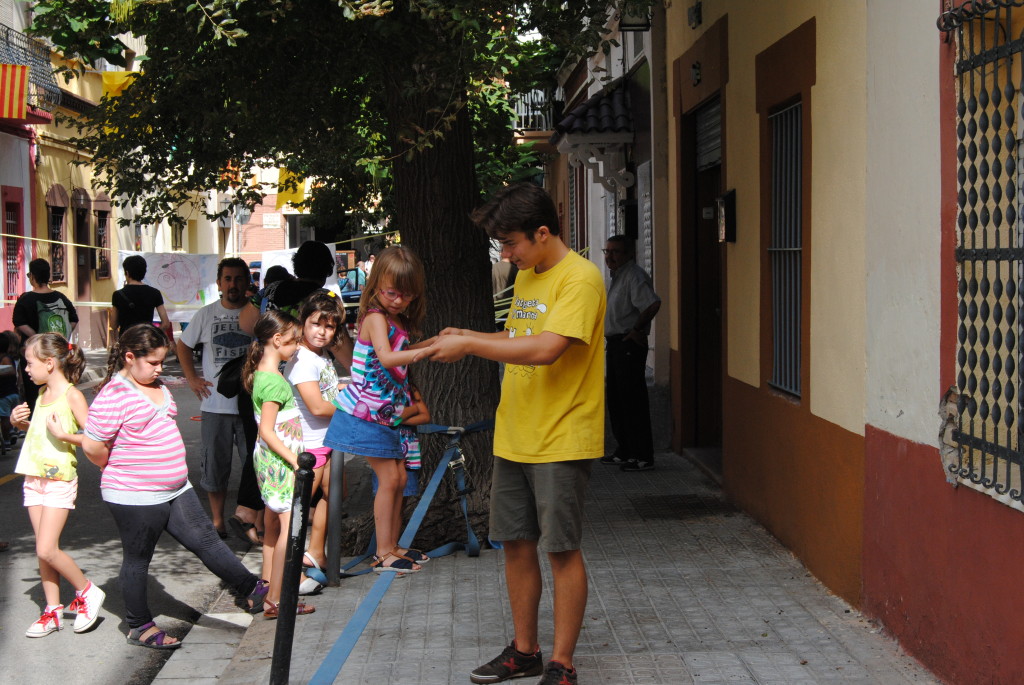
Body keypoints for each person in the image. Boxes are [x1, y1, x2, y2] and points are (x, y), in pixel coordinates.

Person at [420, 182, 606, 685]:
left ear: (542, 233)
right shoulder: (528, 274)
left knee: (560, 549)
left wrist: (470, 348)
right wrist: (467, 334)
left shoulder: (581, 279)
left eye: (510, 243)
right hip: (515, 433)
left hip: (561, 437)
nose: (506, 254)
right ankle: (525, 652)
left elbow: (547, 348)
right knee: (516, 545)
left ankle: (562, 665)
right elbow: (518, 336)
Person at [82, 325, 269, 648]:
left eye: (161, 361)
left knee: (206, 540)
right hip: (135, 494)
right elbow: (92, 446)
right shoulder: (114, 395)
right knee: (138, 559)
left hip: (176, 488)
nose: (159, 368)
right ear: (130, 357)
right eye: (153, 362)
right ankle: (139, 626)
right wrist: (112, 465)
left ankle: (253, 590)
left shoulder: (154, 383)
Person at [324, 246, 434, 573]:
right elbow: (387, 358)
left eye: (407, 295)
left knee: (397, 478)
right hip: (364, 414)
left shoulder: (395, 319)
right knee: (390, 478)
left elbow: (399, 352)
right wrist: (425, 352)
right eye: (392, 293)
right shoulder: (375, 317)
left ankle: (392, 546)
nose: (399, 301)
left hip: (383, 415)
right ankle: (384, 553)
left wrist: (434, 343)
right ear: (376, 286)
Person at [11, 333, 102, 638]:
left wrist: (65, 436)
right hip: (33, 477)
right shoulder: (42, 394)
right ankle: (52, 611)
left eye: (29, 363)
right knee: (43, 551)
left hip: (58, 480)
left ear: (49, 363)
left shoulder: (72, 396)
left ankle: (87, 591)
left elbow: (93, 439)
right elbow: (41, 434)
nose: (26, 369)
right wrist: (19, 424)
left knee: (46, 548)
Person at [241, 310, 316, 618]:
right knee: (289, 527)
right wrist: (295, 461)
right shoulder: (272, 381)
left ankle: (270, 589)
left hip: (272, 462)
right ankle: (276, 599)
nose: (297, 346)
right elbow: (267, 431)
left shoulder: (263, 373)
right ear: (276, 340)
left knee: (273, 526)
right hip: (281, 464)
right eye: (294, 340)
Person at [177, 258, 255, 539]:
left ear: (247, 282)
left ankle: (251, 522)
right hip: (215, 406)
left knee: (254, 466)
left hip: (252, 406)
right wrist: (192, 378)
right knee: (214, 467)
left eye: (238, 278)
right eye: (228, 279)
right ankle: (218, 522)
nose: (233, 284)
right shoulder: (206, 314)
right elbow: (183, 345)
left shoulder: (256, 314)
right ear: (219, 283)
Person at [284, 291, 345, 588]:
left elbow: (327, 395)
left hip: (326, 441)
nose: (322, 332)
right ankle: (289, 576)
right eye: (316, 324)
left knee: (335, 494)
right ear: (302, 322)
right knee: (295, 514)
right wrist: (354, 407)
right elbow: (318, 407)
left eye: (329, 326)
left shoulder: (320, 355)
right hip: (308, 448)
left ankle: (316, 553)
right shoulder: (302, 360)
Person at [600, 235, 661, 471]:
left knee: (632, 401)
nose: (609, 256)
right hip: (615, 344)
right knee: (617, 399)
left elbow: (652, 303)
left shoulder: (634, 275)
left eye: (615, 252)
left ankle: (642, 456)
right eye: (607, 251)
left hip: (628, 344)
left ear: (628, 254)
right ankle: (624, 450)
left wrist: (636, 329)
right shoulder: (617, 276)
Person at [240, 241, 354, 367]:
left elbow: (245, 324)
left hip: (270, 368)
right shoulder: (326, 299)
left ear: (296, 264)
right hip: (307, 372)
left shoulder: (270, 290)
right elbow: (343, 349)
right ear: (328, 268)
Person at [13, 259, 78, 412]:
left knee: (34, 395)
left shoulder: (26, 299)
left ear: (32, 276)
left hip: (34, 356)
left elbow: (18, 322)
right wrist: (59, 337)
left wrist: (38, 337)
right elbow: (74, 319)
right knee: (57, 389)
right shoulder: (60, 297)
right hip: (56, 354)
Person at [109, 255, 174, 346]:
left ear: (127, 273)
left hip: (126, 342)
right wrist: (152, 334)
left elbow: (113, 325)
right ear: (144, 272)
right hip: (146, 342)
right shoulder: (155, 293)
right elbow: (166, 323)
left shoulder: (118, 295)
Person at [0, 331, 23, 447]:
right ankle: (12, 431)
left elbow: (10, 370)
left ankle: (8, 437)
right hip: (11, 393)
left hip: (6, 394)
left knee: (5, 417)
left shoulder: (5, 359)